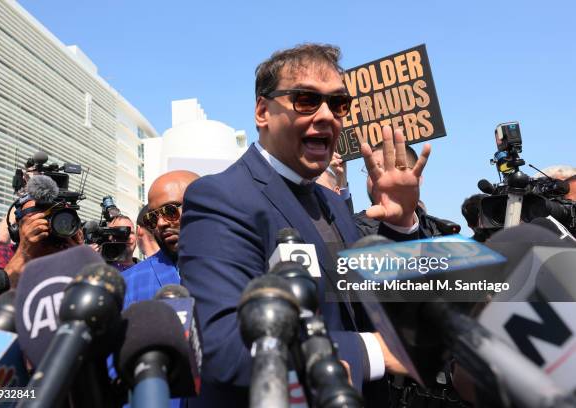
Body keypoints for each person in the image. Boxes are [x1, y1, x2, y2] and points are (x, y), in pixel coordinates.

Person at [179, 43, 431, 407]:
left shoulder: (334, 203)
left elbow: (388, 305)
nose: (327, 115)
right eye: (306, 100)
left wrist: (404, 223)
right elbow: (225, 347)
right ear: (263, 111)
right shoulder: (220, 197)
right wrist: (373, 351)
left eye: (338, 104)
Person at [121, 170, 199, 308]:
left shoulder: (241, 266)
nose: (160, 223)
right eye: (152, 218)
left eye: (169, 211)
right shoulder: (127, 285)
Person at [354, 142, 453, 238]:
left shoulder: (443, 235)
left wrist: (402, 222)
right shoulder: (350, 231)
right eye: (374, 169)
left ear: (418, 179)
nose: (382, 177)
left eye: (393, 169)